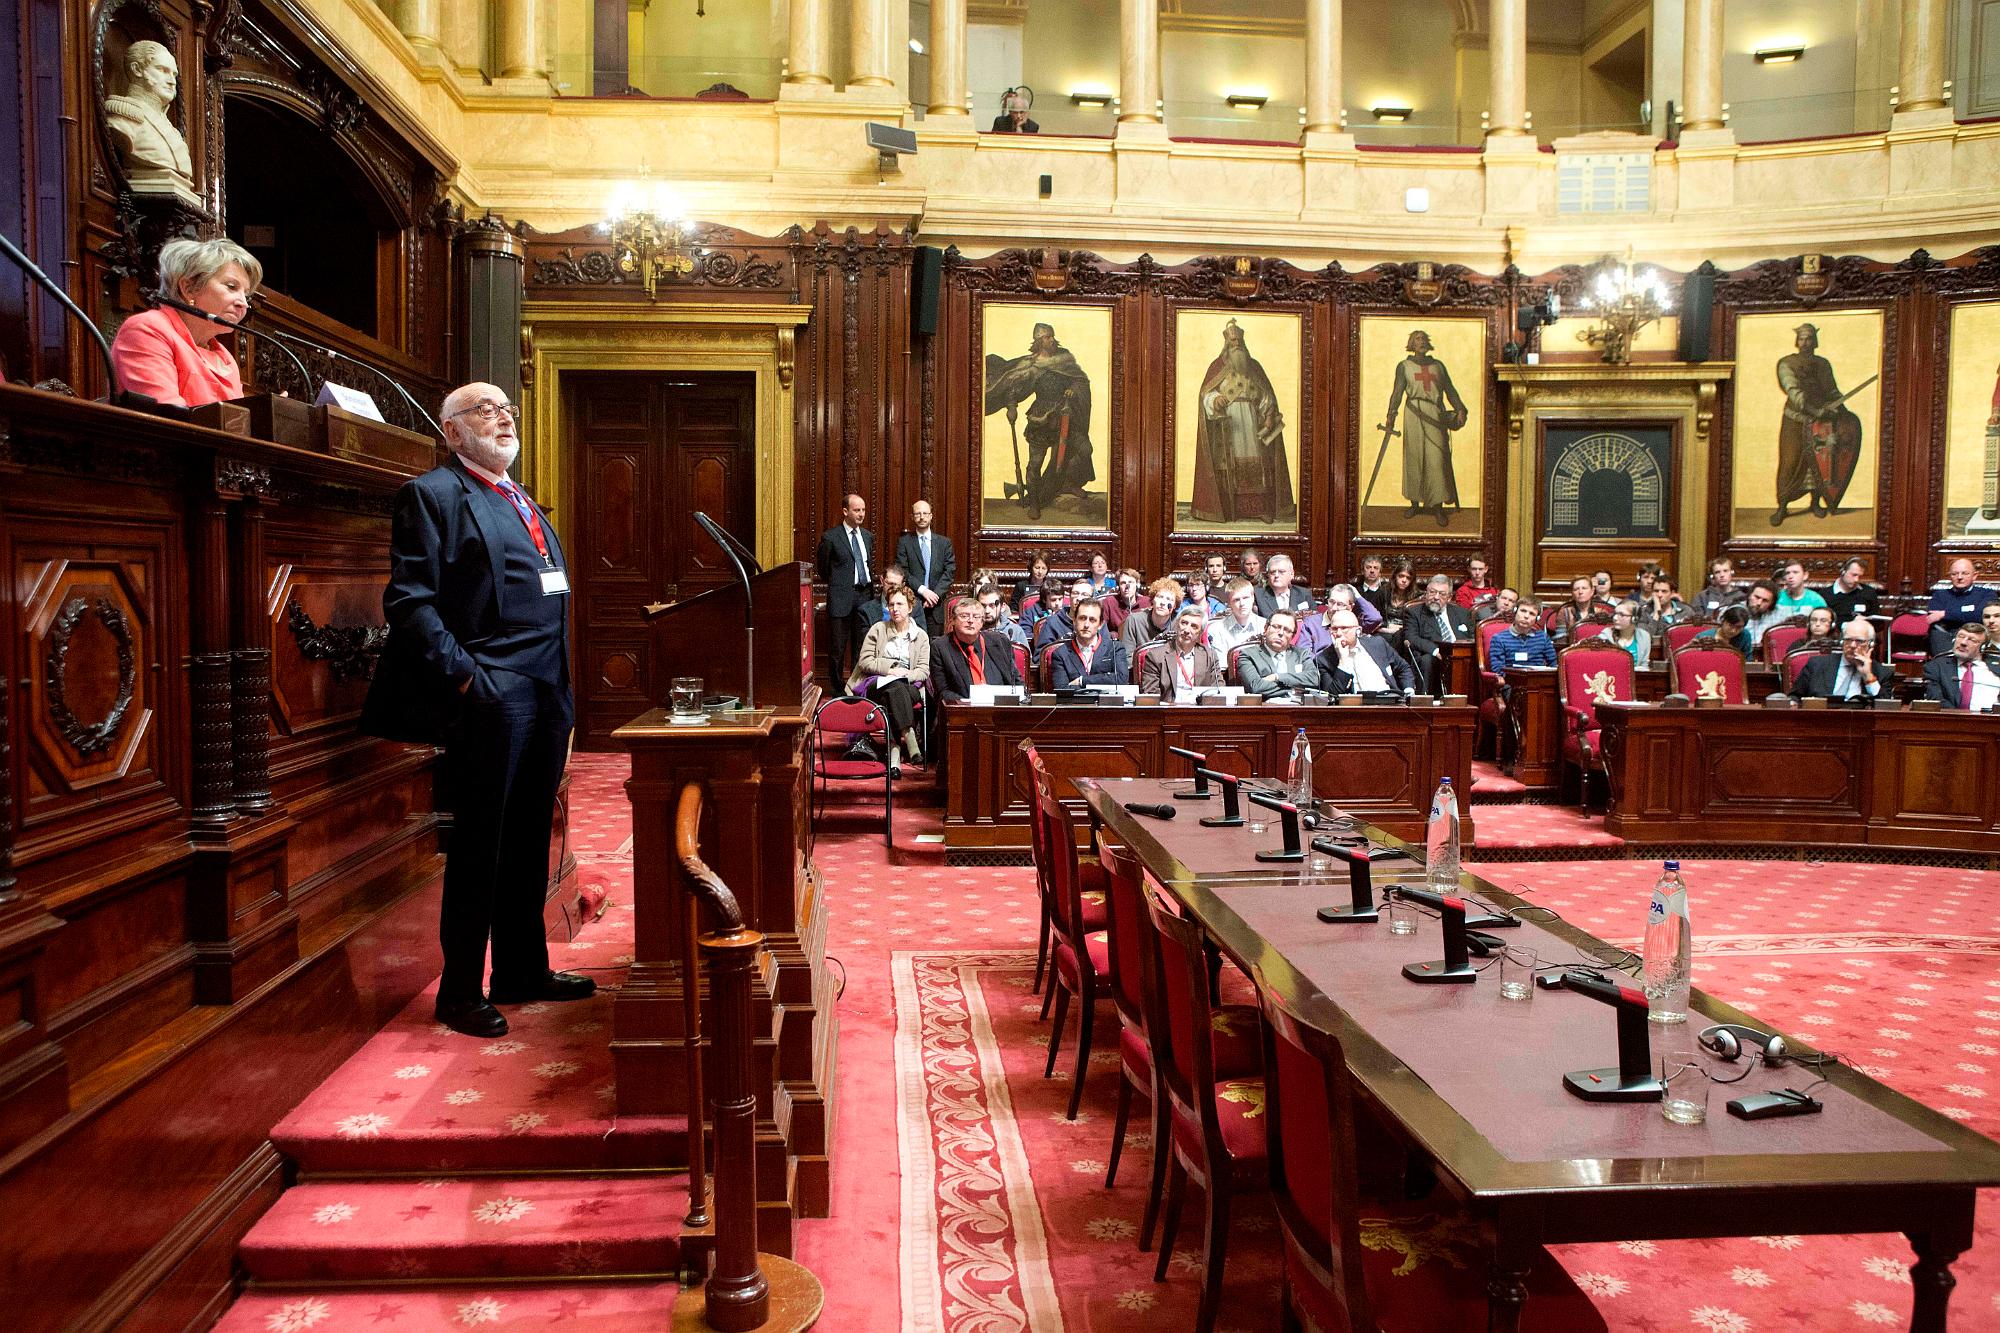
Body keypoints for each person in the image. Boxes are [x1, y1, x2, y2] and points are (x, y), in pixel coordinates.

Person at [360, 383, 587, 1039]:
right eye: (486, 410)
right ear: (452, 432)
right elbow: (409, 601)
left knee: (527, 840)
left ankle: (521, 969)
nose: (504, 416)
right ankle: (460, 990)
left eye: (508, 408)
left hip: (546, 690)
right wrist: (467, 679)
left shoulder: (523, 500)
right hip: (491, 688)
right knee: (481, 843)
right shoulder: (432, 496)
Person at [109, 236, 259, 408]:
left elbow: (237, 424)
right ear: (188, 289)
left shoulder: (225, 358)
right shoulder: (147, 329)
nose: (243, 303)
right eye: (231, 287)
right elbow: (167, 416)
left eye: (246, 295)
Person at [1190, 321, 1296, 523]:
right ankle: (1231, 509)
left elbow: (1267, 396)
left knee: (1258, 466)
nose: (1236, 344)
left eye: (1239, 340)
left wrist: (1268, 415)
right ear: (1227, 344)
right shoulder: (1217, 367)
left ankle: (1260, 509)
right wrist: (1215, 400)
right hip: (1228, 427)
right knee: (1231, 467)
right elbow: (1206, 394)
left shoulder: (1254, 367)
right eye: (1232, 341)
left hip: (1253, 423)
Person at [984, 323, 1094, 518]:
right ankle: (1034, 502)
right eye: (1047, 337)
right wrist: (1011, 406)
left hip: (1065, 416)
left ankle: (1067, 483)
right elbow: (1013, 387)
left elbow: (1079, 380)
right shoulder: (1031, 364)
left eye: (1052, 336)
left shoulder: (1064, 357)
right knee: (1035, 463)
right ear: (1038, 341)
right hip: (1041, 418)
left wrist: (1074, 390)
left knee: (1084, 449)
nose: (1051, 340)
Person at [1377, 329, 1468, 527]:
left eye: (1424, 339)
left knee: (1436, 459)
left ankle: (1437, 507)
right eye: (1418, 339)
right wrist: (1391, 413)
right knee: (1414, 458)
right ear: (1411, 343)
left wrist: (1460, 408)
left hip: (1434, 414)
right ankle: (1415, 503)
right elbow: (1397, 392)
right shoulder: (1404, 366)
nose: (1422, 342)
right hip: (1413, 415)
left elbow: (1450, 390)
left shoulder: (1438, 366)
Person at [1773, 322, 1862, 526]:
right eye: (1802, 338)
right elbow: (1793, 391)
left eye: (1810, 338)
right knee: (1791, 461)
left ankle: (1816, 503)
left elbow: (1831, 390)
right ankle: (1783, 506)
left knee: (1818, 463)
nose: (1806, 342)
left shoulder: (1823, 364)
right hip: (1796, 420)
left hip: (1821, 422)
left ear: (1815, 341)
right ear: (1797, 341)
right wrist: (1813, 410)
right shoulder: (1786, 363)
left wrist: (1841, 409)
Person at [849, 587, 930, 772]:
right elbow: (865, 661)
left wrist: (904, 675)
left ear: (910, 607)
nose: (895, 608)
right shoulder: (878, 629)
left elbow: (923, 671)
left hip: (909, 686)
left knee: (894, 692)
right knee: (894, 688)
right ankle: (909, 739)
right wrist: (891, 669)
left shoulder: (921, 636)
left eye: (900, 604)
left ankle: (894, 755)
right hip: (876, 684)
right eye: (891, 604)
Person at [103, 40, 195, 195]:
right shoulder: (122, 117)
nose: (172, 82)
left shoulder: (174, 133)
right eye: (163, 70)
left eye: (174, 74)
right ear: (137, 69)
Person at [815, 493, 876, 682]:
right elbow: (823, 568)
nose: (861, 514)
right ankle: (837, 689)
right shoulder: (831, 537)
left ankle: (859, 685)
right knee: (838, 648)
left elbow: (868, 564)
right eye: (857, 510)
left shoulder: (867, 536)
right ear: (845, 511)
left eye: (863, 510)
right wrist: (839, 585)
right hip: (841, 598)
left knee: (862, 645)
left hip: (865, 596)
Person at [930, 596, 1022, 702]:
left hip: (1001, 710)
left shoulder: (1000, 641)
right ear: (953, 620)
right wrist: (971, 703)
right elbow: (943, 691)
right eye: (964, 616)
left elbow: (1016, 681)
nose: (970, 621)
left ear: (982, 622)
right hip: (963, 712)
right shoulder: (940, 647)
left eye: (976, 617)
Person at [1315, 609, 1417, 695]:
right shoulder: (1323, 659)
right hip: (1354, 712)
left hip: (1389, 703)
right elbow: (1332, 695)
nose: (1338, 633)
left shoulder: (1378, 643)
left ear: (1358, 630)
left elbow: (1403, 668)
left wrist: (1408, 690)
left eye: (1344, 628)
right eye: (1334, 629)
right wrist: (1343, 661)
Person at [1404, 575, 1476, 693]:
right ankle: (1424, 702)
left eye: (1442, 594)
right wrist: (1435, 650)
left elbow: (1473, 638)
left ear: (1449, 597)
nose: (1436, 597)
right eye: (1432, 592)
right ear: (1426, 593)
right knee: (1427, 660)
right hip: (1433, 656)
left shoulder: (1462, 613)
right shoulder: (1414, 612)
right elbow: (1411, 638)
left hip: (1460, 657)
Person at [894, 500, 956, 636]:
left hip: (936, 606)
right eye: (917, 514)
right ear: (912, 517)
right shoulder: (904, 542)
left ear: (931, 516)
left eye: (925, 513)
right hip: (913, 603)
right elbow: (902, 571)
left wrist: (934, 596)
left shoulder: (944, 543)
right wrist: (923, 591)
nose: (921, 517)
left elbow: (949, 571)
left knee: (935, 648)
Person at [1140, 608, 1223, 701]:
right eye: (1184, 623)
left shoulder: (1209, 655)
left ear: (1200, 633)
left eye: (1194, 626)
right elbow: (1151, 695)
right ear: (1177, 625)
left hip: (1200, 712)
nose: (1187, 630)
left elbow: (1218, 690)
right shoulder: (1155, 656)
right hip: (1168, 712)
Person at [1236, 610, 1320, 699]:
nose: (1281, 633)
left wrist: (1277, 677)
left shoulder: (1301, 654)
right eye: (1276, 627)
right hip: (1267, 709)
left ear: (1293, 636)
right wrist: (1294, 688)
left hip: (1299, 709)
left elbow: (1314, 679)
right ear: (1266, 628)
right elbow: (1255, 687)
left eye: (1287, 630)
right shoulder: (1248, 655)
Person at [1790, 620, 1882, 701]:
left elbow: (1885, 708)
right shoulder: (1816, 664)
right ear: (1842, 642)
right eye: (1848, 640)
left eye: (1859, 641)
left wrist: (1868, 677)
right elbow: (1794, 697)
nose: (1853, 645)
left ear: (1871, 645)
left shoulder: (1882, 672)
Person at [1049, 598, 1129, 688]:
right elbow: (1062, 690)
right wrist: (1104, 681)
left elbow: (1121, 679)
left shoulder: (1115, 648)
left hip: (1107, 702)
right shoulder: (1060, 654)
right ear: (1074, 621)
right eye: (1082, 618)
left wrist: (1082, 681)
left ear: (1100, 624)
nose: (1086, 625)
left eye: (1092, 620)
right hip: (1073, 702)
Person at [1926, 558, 2000, 654]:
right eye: (1954, 574)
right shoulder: (1939, 595)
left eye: (1965, 573)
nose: (1959, 577)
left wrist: (1944, 614)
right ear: (1950, 576)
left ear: (1974, 576)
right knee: (1936, 632)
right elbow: (1933, 617)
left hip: (1976, 637)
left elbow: (1980, 615)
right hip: (1947, 637)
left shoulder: (1986, 594)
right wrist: (1967, 614)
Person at [1924, 624, 2000, 710]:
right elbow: (1935, 700)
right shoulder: (1936, 667)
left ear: (1983, 647)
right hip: (1952, 720)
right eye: (1960, 636)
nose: (1963, 643)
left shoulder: (1996, 667)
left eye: (1972, 640)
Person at [1487, 600, 1557, 672]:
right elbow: (1497, 669)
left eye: (1532, 614)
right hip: (1511, 681)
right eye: (1523, 611)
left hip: (1538, 680)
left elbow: (1554, 665)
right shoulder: (1499, 639)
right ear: (1515, 612)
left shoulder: (1543, 637)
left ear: (1537, 619)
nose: (1526, 616)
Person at [1206, 577, 1266, 658]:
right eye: (1236, 600)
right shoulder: (1216, 630)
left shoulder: (1265, 626)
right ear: (1229, 603)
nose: (1242, 603)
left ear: (1253, 598)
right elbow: (1222, 665)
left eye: (1245, 598)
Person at [1123, 577, 1181, 650]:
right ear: (1153, 600)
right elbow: (1127, 655)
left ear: (1175, 606)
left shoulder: (1180, 624)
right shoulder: (1134, 621)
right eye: (1160, 597)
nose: (1163, 603)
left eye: (1169, 599)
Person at [1822, 557, 1882, 623]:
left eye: (1860, 576)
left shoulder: (1868, 592)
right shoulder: (1826, 594)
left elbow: (1879, 624)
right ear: (1843, 571)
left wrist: (1866, 621)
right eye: (1854, 575)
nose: (1857, 580)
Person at [1254, 553, 1314, 619]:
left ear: (1291, 574)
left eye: (1281, 571)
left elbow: (1314, 622)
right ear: (1268, 575)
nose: (1276, 575)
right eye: (1273, 572)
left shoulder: (1304, 594)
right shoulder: (1258, 596)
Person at [1551, 576, 1610, 642]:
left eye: (1584, 588)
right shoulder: (1565, 612)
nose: (1580, 592)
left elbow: (1606, 638)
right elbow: (1561, 640)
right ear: (1572, 593)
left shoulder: (1601, 612)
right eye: (1576, 589)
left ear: (1592, 591)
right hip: (1573, 649)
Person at [1635, 575, 1691, 642]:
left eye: (1664, 591)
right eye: (1656, 591)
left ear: (1672, 593)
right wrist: (1656, 613)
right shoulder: (1643, 612)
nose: (1659, 595)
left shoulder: (1686, 610)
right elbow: (1644, 639)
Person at [977, 582, 1029, 649]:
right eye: (983, 605)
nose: (987, 611)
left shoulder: (1015, 630)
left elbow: (1025, 657)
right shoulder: (972, 630)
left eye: (992, 605)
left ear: (1003, 607)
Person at [1743, 581, 1788, 648]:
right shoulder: (1735, 610)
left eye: (1765, 600)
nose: (1759, 603)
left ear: (1771, 603)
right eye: (1757, 597)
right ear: (1749, 595)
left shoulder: (1781, 615)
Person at [1607, 600, 1651, 666]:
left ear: (1634, 619)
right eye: (1615, 614)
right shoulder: (1606, 636)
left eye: (1621, 614)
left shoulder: (1644, 636)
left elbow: (1644, 664)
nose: (1615, 618)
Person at [1100, 567, 1143, 632]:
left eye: (1131, 582)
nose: (1127, 587)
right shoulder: (1109, 602)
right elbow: (1102, 629)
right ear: (1118, 586)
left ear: (1137, 584)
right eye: (1123, 583)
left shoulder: (1146, 602)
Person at [1355, 554, 1392, 619]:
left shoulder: (1388, 590)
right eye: (1368, 567)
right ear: (1363, 571)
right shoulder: (1356, 591)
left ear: (1380, 572)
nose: (1372, 571)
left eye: (1376, 568)